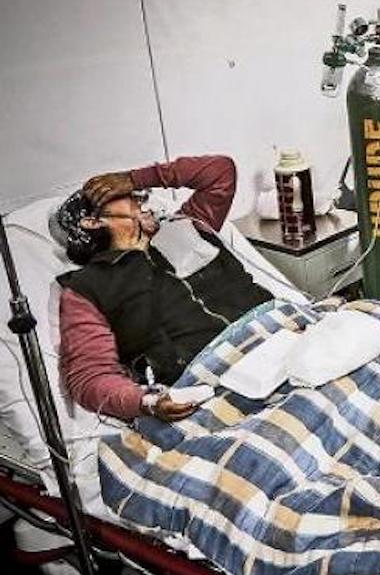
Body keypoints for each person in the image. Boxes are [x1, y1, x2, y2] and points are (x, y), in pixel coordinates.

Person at [50, 156, 274, 422]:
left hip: (283, 338)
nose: (138, 197)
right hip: (223, 383)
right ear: (93, 221)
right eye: (122, 196)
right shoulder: (86, 288)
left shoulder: (189, 224)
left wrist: (134, 177)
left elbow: (220, 172)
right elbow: (89, 377)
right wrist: (147, 402)